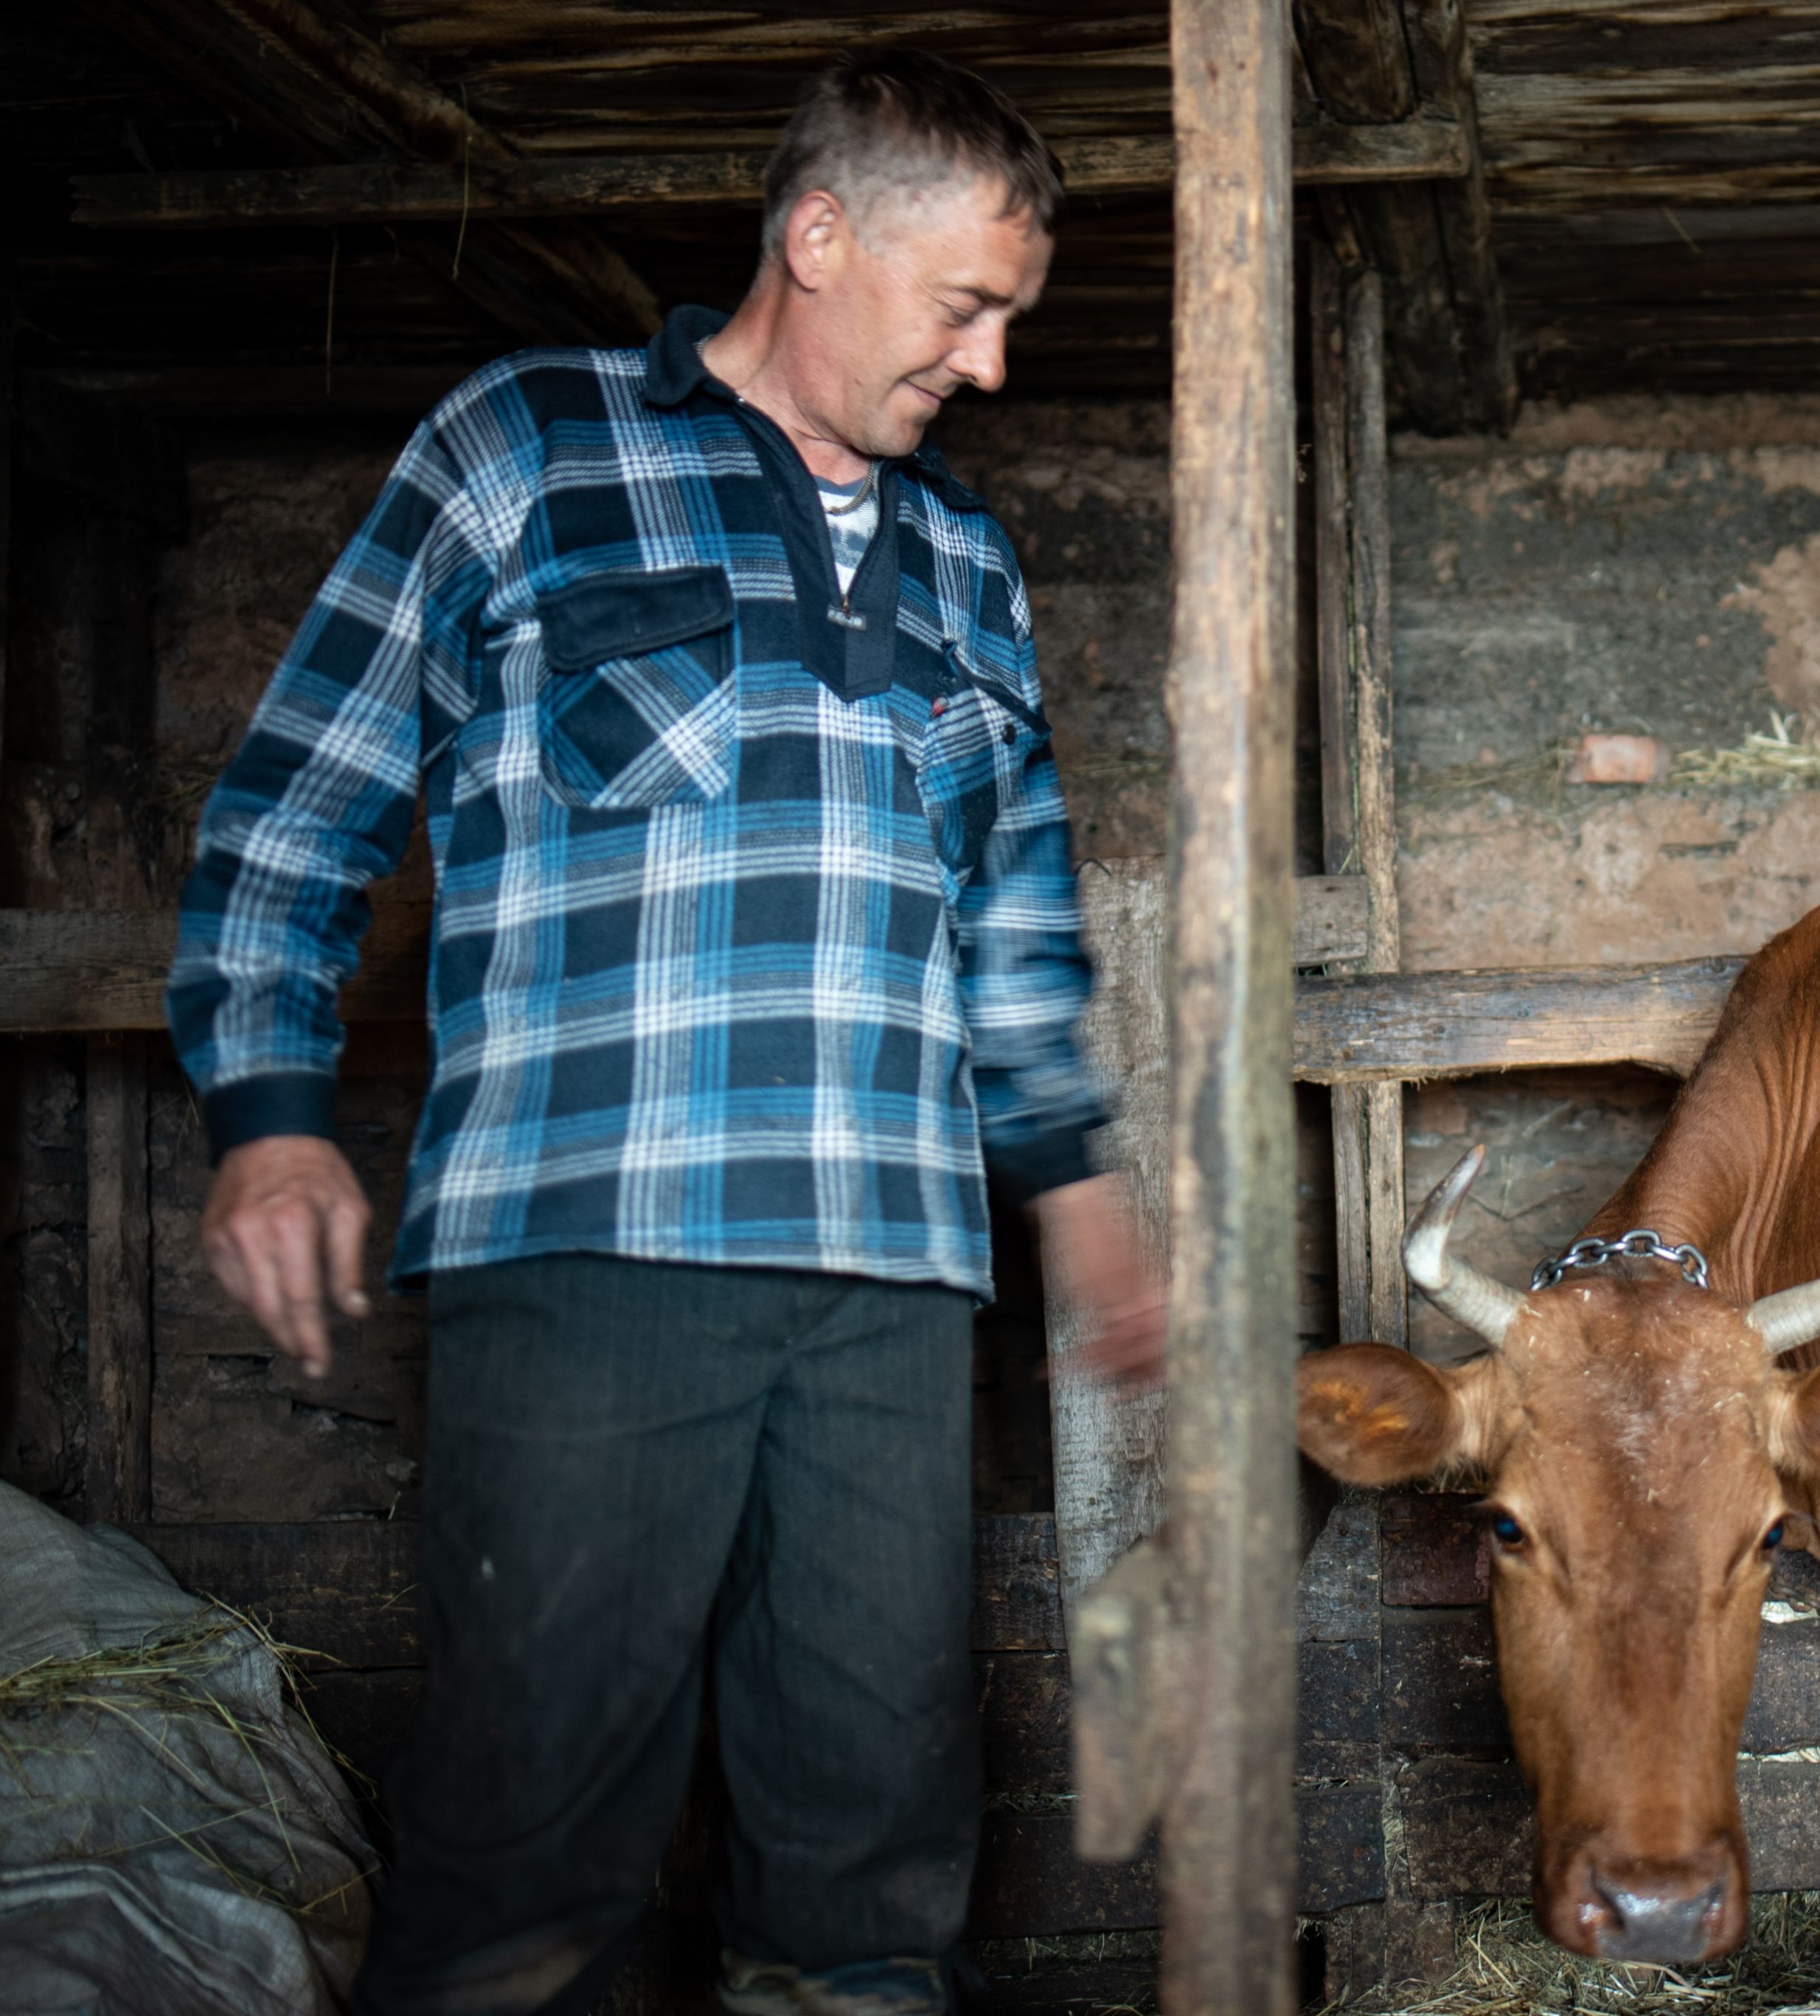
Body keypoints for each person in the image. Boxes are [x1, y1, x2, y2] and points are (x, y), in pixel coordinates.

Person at [166, 48, 1161, 2016]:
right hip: (591, 1245)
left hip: (893, 1275)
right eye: (966, 309)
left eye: (1010, 324)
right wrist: (268, 1111)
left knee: (877, 1859)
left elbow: (1019, 918)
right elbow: (294, 812)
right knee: (535, 1854)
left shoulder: (966, 559)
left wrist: (1074, 1187)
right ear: (817, 238)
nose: (989, 368)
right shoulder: (520, 451)